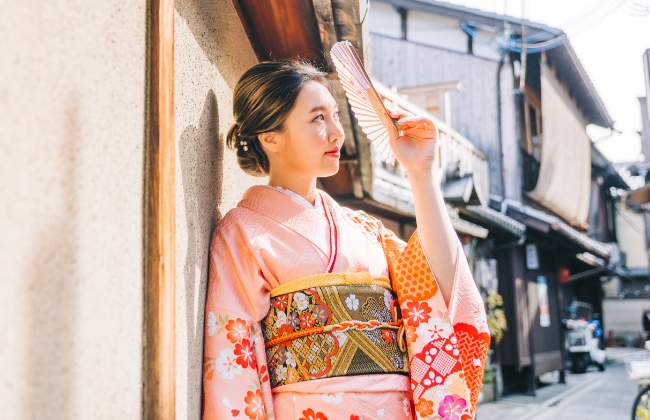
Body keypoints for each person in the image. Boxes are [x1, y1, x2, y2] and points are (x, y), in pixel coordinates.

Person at [202, 61, 489, 420]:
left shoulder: (365, 229)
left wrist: (421, 173)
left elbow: (441, 292)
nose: (338, 133)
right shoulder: (243, 231)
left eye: (335, 115)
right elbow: (233, 362)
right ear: (270, 136)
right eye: (318, 118)